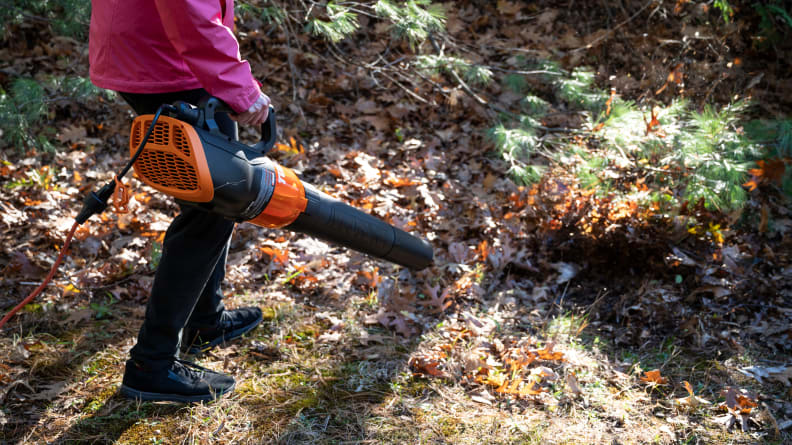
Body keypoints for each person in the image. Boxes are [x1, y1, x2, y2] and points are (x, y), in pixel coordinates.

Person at [88, 0, 270, 403]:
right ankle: (151, 365)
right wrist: (238, 87)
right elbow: (189, 8)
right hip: (167, 59)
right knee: (216, 207)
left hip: (149, 51)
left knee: (207, 204)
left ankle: (205, 319)